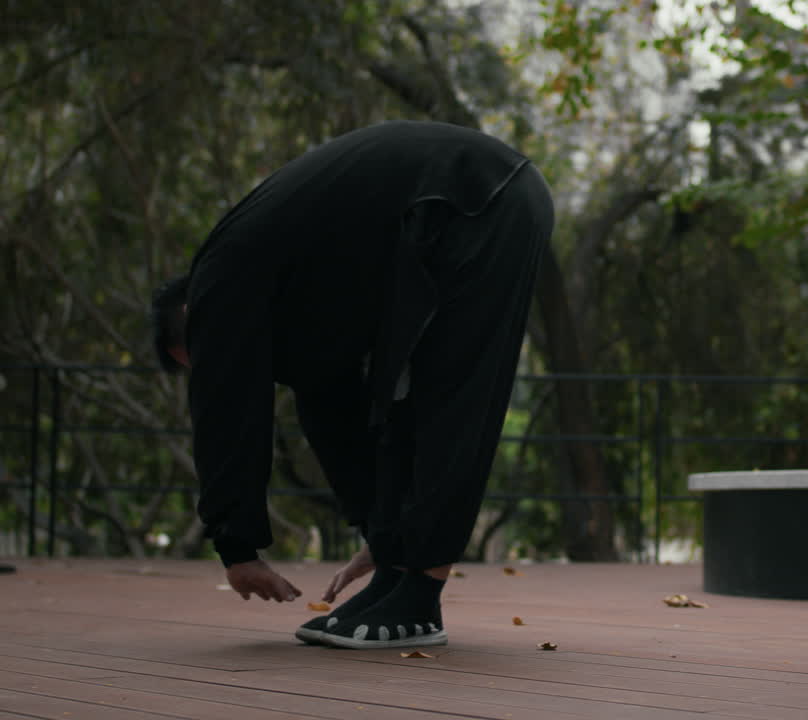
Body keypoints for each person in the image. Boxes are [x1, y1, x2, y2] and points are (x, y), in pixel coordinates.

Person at [151, 120, 553, 650]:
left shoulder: (221, 278)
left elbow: (227, 406)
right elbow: (331, 407)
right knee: (401, 398)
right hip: (451, 212)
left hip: (479, 199)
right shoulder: (291, 308)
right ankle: (397, 578)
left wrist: (236, 548)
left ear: (194, 318)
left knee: (448, 396)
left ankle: (420, 600)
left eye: (200, 363)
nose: (219, 368)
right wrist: (379, 531)